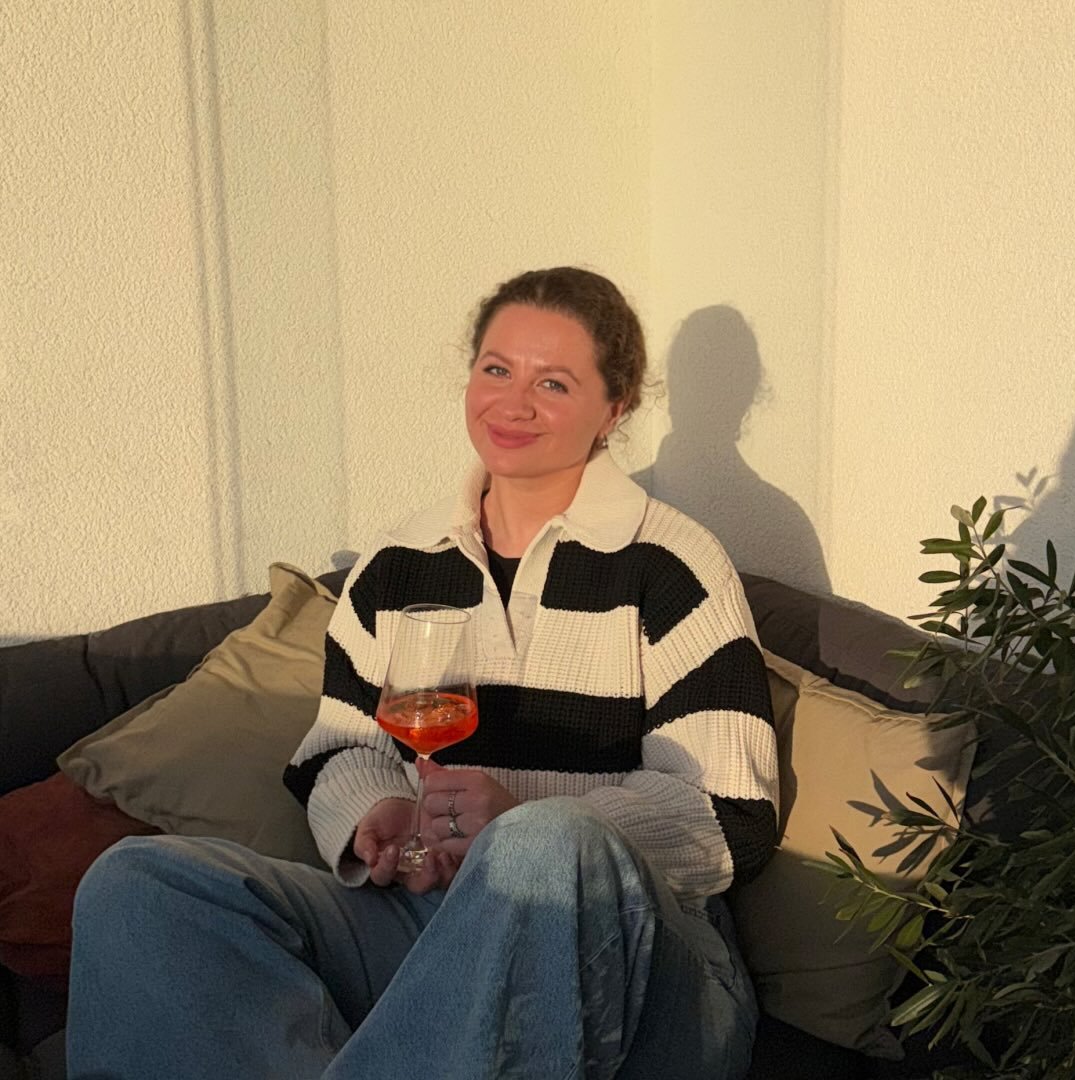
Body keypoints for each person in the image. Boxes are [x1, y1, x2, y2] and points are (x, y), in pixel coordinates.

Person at [67, 267, 779, 1079]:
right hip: (429, 918)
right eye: (497, 369)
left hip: (643, 959)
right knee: (139, 885)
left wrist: (520, 822)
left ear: (613, 408)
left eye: (553, 383)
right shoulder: (401, 561)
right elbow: (340, 748)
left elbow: (731, 816)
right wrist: (380, 812)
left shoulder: (675, 563)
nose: (514, 404)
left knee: (543, 846)